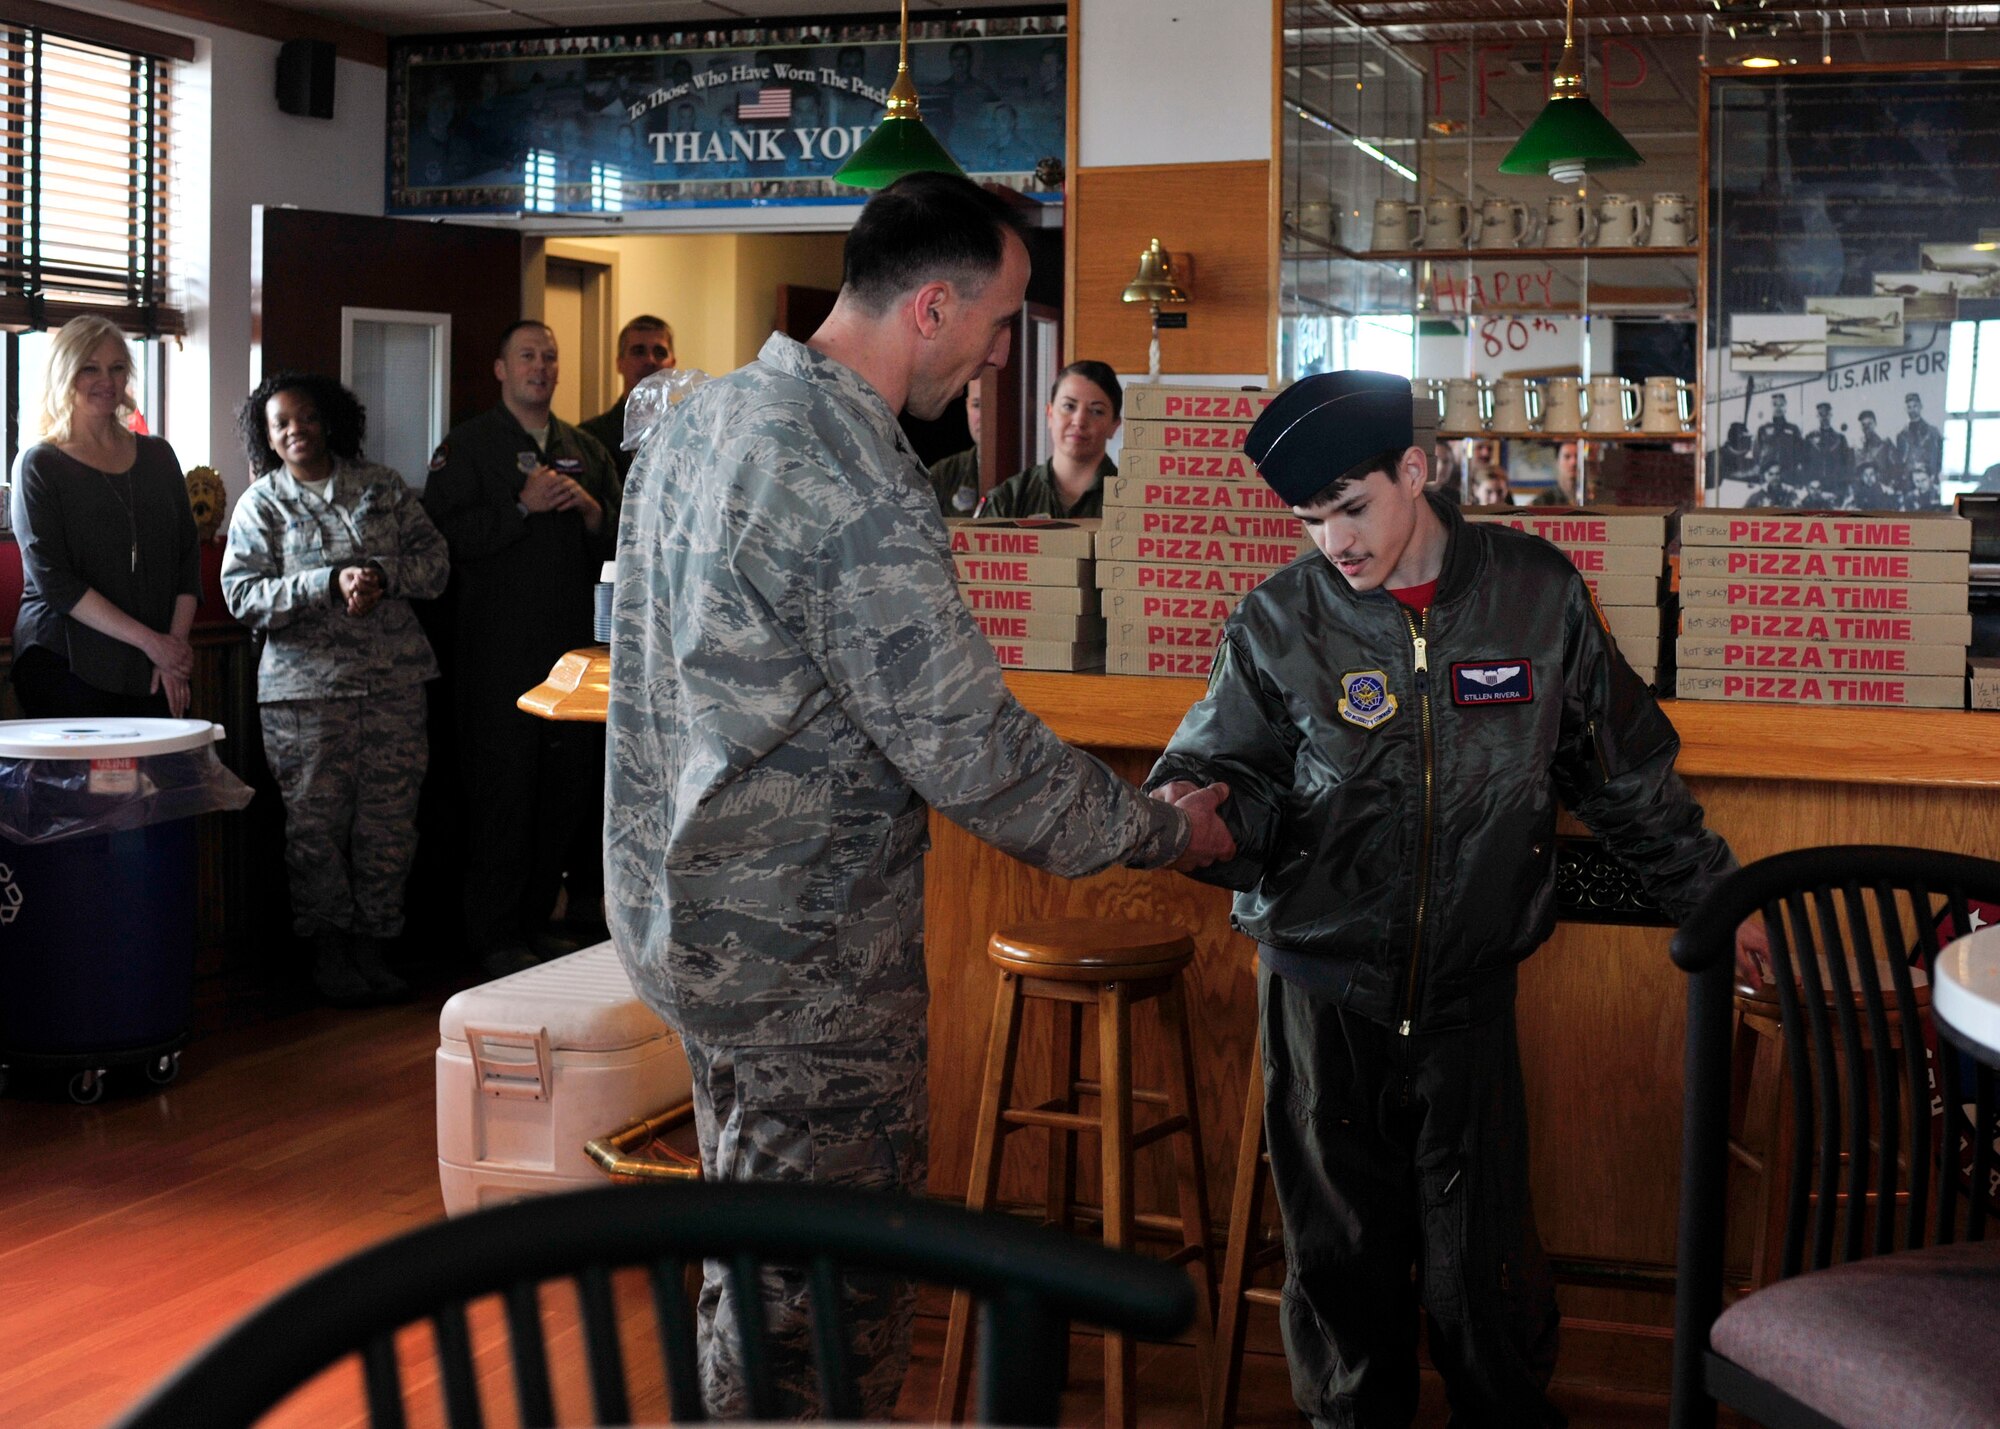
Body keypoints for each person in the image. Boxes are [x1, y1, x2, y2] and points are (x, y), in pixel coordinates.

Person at [605, 172, 1234, 1420]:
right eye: (1000, 324)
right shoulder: (843, 463)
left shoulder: (697, 417)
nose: (1003, 357)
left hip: (689, 930)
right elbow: (966, 746)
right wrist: (1164, 831)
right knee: (824, 1309)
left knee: (755, 1256)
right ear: (933, 307)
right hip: (805, 960)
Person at [1144, 371, 1765, 1429]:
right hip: (1318, 993)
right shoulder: (1276, 619)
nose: (1332, 543)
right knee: (1340, 1275)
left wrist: (1715, 901)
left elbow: (1619, 776)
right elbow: (1230, 778)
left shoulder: (1533, 594)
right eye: (1308, 520)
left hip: (1467, 1000)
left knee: (1484, 1278)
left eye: (1351, 508)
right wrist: (1195, 814)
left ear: (1415, 472)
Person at [223, 373, 450, 1007]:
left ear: (330, 421)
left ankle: (374, 946)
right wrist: (324, 583)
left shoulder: (380, 487)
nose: (296, 430)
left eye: (307, 417)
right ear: (267, 437)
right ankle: (328, 951)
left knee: (389, 826)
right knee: (315, 828)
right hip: (304, 697)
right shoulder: (260, 506)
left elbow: (436, 563)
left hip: (393, 685)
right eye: (281, 423)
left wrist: (380, 574)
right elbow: (241, 595)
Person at [422, 320, 622, 976]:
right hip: (496, 658)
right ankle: (494, 934)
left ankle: (538, 922)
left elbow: (624, 543)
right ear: (501, 369)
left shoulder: (585, 447)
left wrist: (593, 515)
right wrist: (520, 506)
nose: (540, 367)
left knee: (560, 796)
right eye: (527, 356)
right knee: (502, 796)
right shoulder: (469, 446)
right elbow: (442, 543)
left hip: (570, 659)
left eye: (550, 357)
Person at [10, 315, 200, 719]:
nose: (107, 381)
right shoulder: (38, 463)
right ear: (64, 375)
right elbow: (54, 582)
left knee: (163, 780)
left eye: (117, 368)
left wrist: (174, 650)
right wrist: (153, 644)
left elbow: (187, 560)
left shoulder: (159, 455)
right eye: (90, 368)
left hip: (155, 661)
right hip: (65, 660)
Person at [974, 360, 1121, 518]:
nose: (1079, 421)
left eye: (1096, 411)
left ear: (1114, 425)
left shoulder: (1133, 501)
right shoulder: (1008, 500)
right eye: (1069, 406)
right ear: (1050, 414)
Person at [580, 315, 676, 477]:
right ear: (619, 363)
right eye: (639, 352)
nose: (650, 360)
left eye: (660, 352)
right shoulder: (590, 438)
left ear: (673, 364)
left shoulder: (691, 434)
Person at [926, 381, 982, 517]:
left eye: (992, 404)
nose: (983, 416)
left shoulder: (1026, 481)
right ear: (967, 406)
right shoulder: (944, 475)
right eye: (976, 405)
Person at [1895, 392, 1944, 506]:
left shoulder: (1933, 432)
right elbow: (1900, 463)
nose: (1912, 410)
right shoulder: (1901, 436)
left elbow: (1939, 459)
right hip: (1909, 483)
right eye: (1909, 407)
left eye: (1915, 406)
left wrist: (1934, 477)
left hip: (1929, 482)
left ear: (1921, 406)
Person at [1752, 392, 1803, 487]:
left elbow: (1800, 451)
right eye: (1775, 404)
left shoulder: (1793, 429)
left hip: (1787, 474)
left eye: (1781, 404)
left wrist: (1795, 469)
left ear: (1785, 406)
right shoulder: (1763, 428)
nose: (1778, 408)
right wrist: (1762, 467)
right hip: (1768, 474)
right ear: (1771, 407)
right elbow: (1756, 451)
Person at [1531, 440, 1580, 507]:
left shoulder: (1592, 498)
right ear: (1557, 461)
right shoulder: (1543, 502)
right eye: (1567, 457)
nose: (1573, 462)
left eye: (1577, 457)